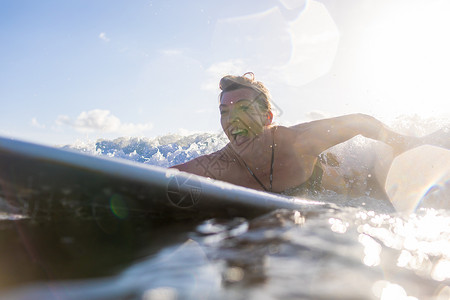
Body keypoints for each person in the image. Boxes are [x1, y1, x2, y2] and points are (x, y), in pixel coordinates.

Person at [171, 72, 423, 199]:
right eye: (225, 112)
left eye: (245, 109)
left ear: (268, 118)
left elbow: (359, 122)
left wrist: (403, 143)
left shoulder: (298, 141)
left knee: (359, 184)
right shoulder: (219, 165)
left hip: (336, 187)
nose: (233, 120)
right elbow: (169, 176)